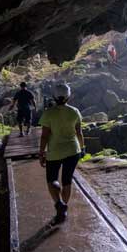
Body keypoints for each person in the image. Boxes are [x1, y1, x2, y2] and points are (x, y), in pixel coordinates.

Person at [38, 83, 84, 224]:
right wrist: (82, 148)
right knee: (67, 180)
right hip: (72, 150)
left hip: (55, 151)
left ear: (53, 96)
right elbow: (79, 132)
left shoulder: (48, 113)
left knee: (52, 180)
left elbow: (45, 136)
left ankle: (59, 204)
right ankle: (64, 205)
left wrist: (41, 152)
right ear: (68, 96)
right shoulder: (74, 111)